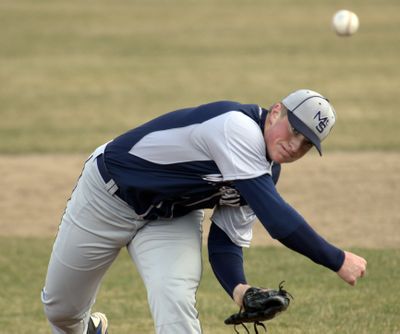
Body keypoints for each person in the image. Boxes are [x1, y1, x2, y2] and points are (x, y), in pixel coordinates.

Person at [41, 89, 367, 334]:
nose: (296, 146)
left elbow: (225, 243)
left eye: (307, 144)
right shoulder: (236, 128)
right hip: (107, 198)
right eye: (295, 130)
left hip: (171, 219)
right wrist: (336, 259)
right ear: (276, 112)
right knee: (61, 312)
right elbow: (278, 220)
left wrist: (240, 291)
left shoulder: (263, 176)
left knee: (176, 307)